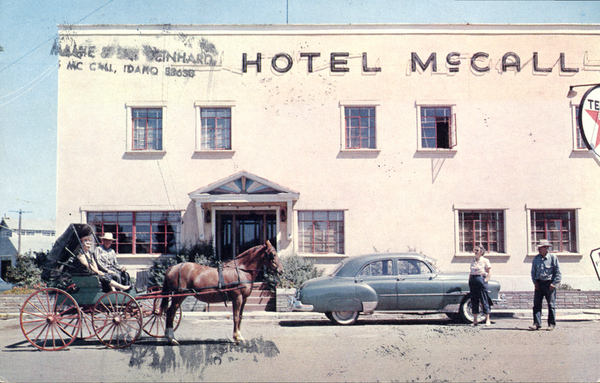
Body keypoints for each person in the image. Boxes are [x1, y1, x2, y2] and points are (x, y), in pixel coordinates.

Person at [530, 239, 561, 331]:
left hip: (549, 283)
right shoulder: (536, 259)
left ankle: (551, 324)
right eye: (538, 248)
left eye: (541, 247)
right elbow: (533, 272)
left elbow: (558, 272)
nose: (539, 249)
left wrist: (554, 283)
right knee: (536, 304)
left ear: (546, 248)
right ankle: (536, 323)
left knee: (551, 305)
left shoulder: (553, 258)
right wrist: (535, 282)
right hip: (539, 283)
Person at [469, 245, 492, 326]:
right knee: (474, 300)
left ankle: (487, 319)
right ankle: (475, 320)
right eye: (474, 250)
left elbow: (490, 272)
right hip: (473, 280)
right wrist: (470, 280)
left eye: (477, 250)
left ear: (481, 252)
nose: (475, 252)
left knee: (484, 299)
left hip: (481, 279)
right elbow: (470, 271)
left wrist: (485, 280)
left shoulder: (485, 260)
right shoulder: (473, 261)